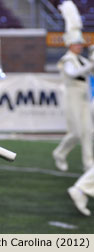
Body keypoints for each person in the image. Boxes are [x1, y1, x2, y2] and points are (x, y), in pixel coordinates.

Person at [52, 0, 94, 172]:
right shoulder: (67, 59)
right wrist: (91, 65)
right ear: (70, 44)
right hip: (72, 96)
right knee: (75, 132)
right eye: (77, 44)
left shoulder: (83, 59)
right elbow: (72, 73)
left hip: (84, 96)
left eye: (80, 43)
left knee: (88, 132)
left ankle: (89, 163)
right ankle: (60, 153)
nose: (80, 46)